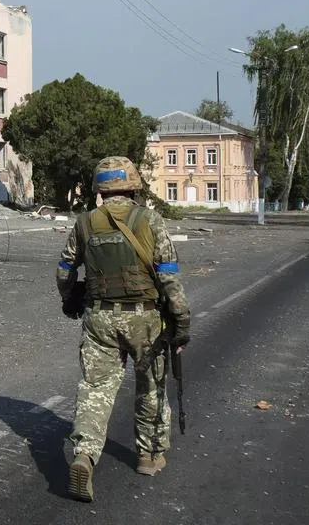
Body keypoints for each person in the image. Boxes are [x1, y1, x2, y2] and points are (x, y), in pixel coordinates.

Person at [55, 156, 191, 503]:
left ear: (100, 190)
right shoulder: (150, 220)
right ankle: (148, 456)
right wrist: (181, 321)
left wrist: (70, 299)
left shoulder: (85, 223)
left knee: (95, 388)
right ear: (133, 186)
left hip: (99, 318)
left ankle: (84, 455)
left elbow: (64, 269)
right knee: (151, 386)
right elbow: (169, 275)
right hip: (145, 320)